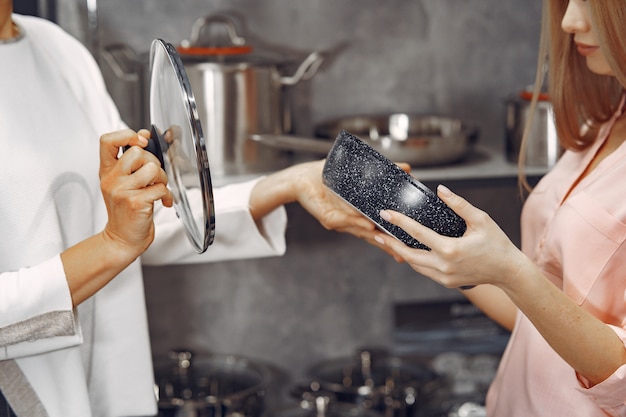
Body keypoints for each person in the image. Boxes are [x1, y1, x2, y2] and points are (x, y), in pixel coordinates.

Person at [0, 3, 387, 416]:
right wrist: (112, 244)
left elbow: (135, 225)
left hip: (107, 382)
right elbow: (114, 241)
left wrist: (287, 184)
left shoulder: (56, 47)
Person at [373, 0, 626, 415]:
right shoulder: (606, 122)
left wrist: (511, 269)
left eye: (592, 4)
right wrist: (452, 255)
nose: (568, 22)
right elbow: (533, 315)